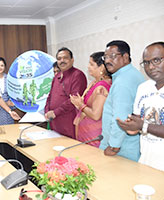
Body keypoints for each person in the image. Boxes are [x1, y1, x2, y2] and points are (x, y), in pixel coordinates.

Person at [117, 41, 164, 171]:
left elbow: (143, 125)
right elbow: (137, 121)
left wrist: (142, 126)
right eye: (147, 63)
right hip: (146, 160)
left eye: (156, 60)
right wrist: (130, 126)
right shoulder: (143, 88)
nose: (151, 67)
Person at [99, 40, 145, 162]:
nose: (107, 61)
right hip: (128, 144)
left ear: (125, 57)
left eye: (112, 56)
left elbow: (120, 117)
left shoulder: (123, 81)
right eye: (106, 57)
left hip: (122, 148)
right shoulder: (132, 74)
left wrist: (114, 146)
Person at [70, 52, 112, 147]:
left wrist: (81, 105)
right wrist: (78, 103)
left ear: (101, 67)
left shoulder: (102, 87)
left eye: (91, 64)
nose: (88, 67)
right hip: (85, 131)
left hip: (94, 135)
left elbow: (96, 115)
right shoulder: (94, 83)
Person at [44, 47, 87, 139]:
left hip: (69, 122)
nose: (62, 61)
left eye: (65, 58)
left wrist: (55, 112)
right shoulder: (57, 76)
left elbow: (74, 100)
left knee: (69, 151)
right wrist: (47, 111)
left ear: (72, 60)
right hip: (54, 122)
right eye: (59, 59)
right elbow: (50, 96)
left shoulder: (78, 75)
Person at [0, 57, 15, 125]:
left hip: (9, 109)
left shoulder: (9, 78)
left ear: (5, 67)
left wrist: (11, 102)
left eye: (2, 65)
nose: (0, 67)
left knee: (10, 131)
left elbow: (14, 92)